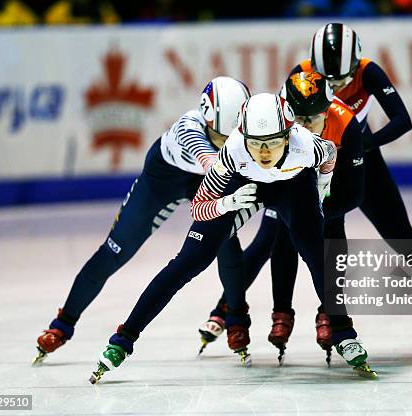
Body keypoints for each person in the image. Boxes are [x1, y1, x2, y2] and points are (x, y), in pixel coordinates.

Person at [88, 93, 377, 383]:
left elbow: (330, 154)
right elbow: (198, 208)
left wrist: (319, 190)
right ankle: (123, 338)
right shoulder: (231, 153)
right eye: (256, 143)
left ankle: (343, 331)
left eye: (273, 142)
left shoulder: (307, 146)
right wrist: (229, 202)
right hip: (242, 186)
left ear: (289, 136)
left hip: (292, 188)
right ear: (243, 136)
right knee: (189, 261)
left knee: (317, 254)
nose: (264, 153)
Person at [32, 76, 251, 365]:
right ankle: (63, 323)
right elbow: (209, 161)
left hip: (202, 181)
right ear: (207, 119)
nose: (228, 142)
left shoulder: (237, 130)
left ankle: (235, 317)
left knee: (227, 241)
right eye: (222, 136)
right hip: (161, 184)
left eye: (233, 136)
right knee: (113, 252)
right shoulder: (189, 126)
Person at [297, 22, 412, 353]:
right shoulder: (302, 74)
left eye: (342, 81)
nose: (335, 88)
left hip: (364, 167)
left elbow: (402, 120)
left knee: (403, 238)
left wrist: (360, 145)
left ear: (355, 63)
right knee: (331, 241)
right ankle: (330, 312)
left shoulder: (368, 71)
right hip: (322, 169)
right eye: (328, 81)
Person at [199, 71, 367, 364]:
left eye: (313, 119)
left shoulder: (343, 125)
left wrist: (321, 198)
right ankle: (239, 309)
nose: (305, 126)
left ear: (327, 111)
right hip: (285, 181)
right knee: (270, 239)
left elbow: (354, 194)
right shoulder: (280, 129)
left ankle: (330, 315)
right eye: (298, 120)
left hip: (328, 185)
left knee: (329, 234)